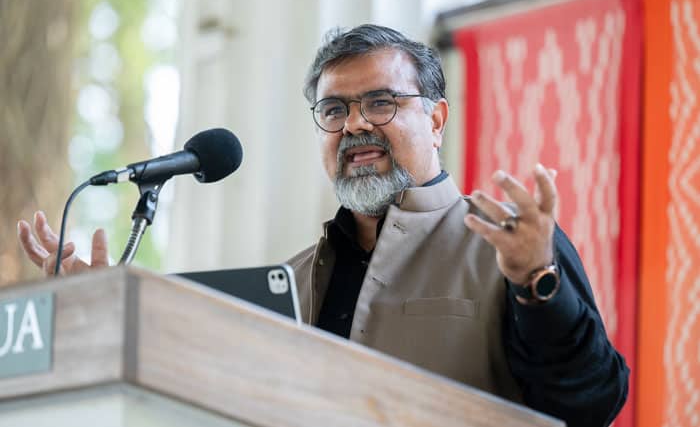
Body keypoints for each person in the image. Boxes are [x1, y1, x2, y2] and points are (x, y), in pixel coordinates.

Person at [17, 24, 628, 427]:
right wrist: (98, 305)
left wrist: (537, 283)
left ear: (437, 118)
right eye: (334, 109)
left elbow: (595, 401)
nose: (355, 124)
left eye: (382, 103)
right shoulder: (292, 277)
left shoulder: (507, 246)